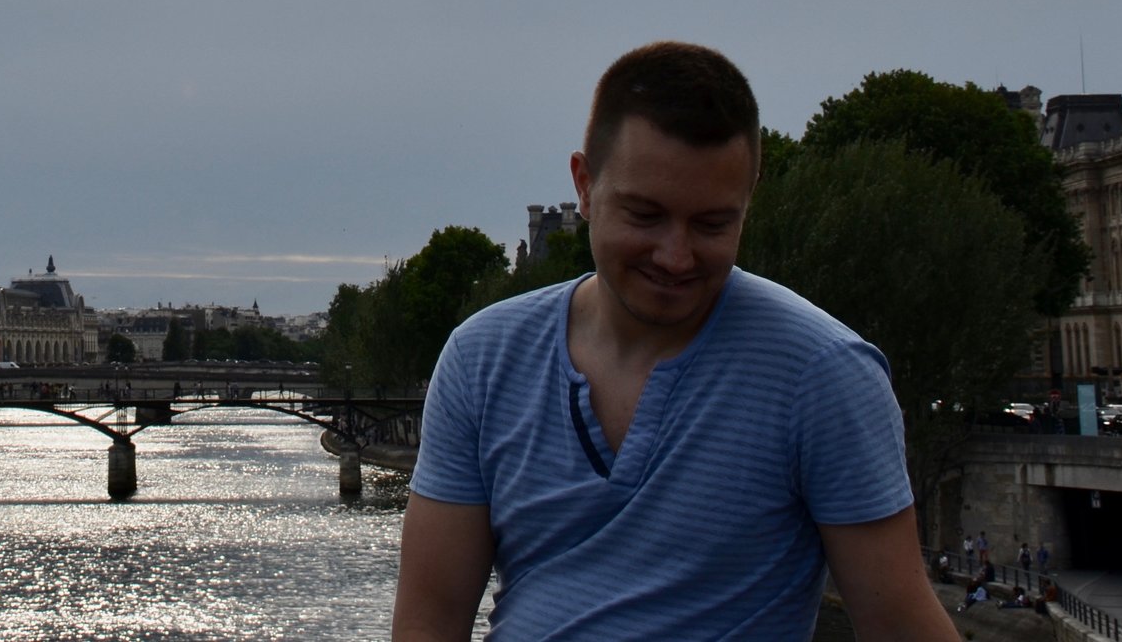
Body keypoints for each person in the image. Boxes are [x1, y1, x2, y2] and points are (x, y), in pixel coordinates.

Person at [391, 42, 960, 641]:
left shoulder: (823, 376)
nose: (676, 256)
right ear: (584, 187)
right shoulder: (479, 360)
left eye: (713, 224)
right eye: (645, 215)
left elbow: (900, 621)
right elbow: (427, 621)